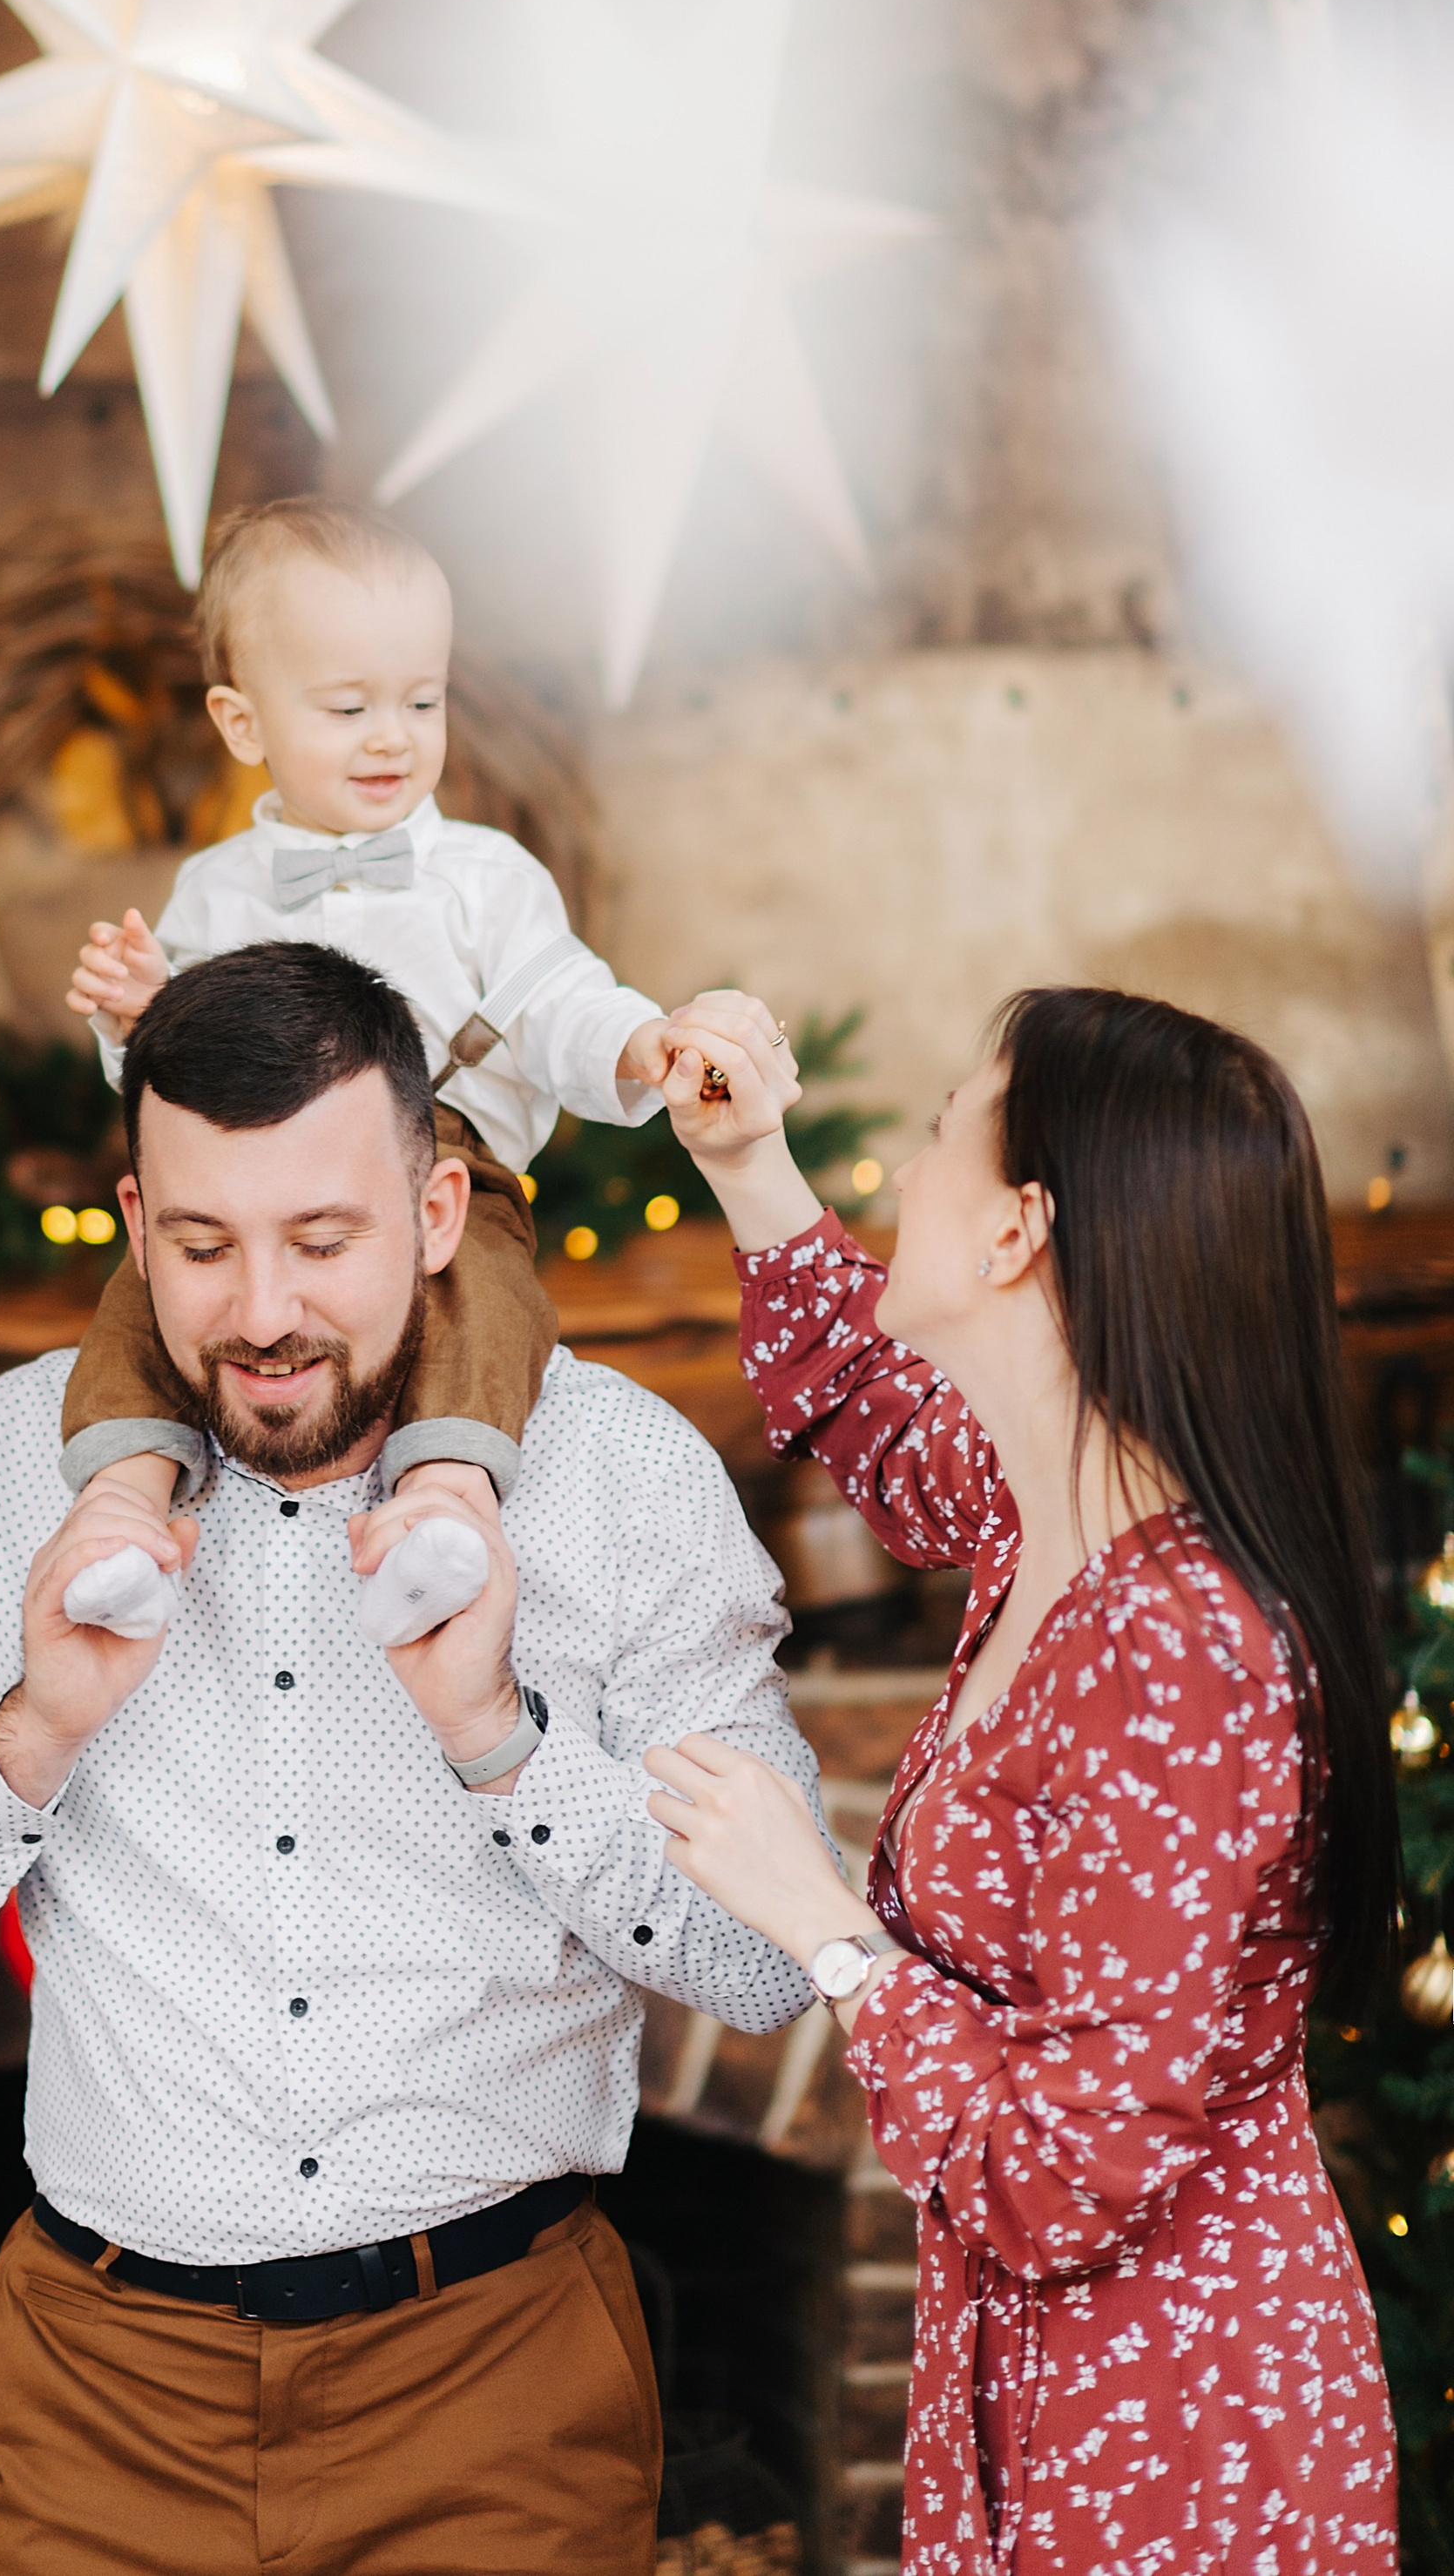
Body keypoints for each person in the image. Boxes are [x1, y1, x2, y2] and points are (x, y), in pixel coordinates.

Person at [0, 940, 827, 2576]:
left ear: (440, 1211)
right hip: (95, 2404)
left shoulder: (622, 1477)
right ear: (135, 1227)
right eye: (203, 1246)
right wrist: (36, 1729)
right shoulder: (2, 1467)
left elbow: (765, 1964)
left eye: (323, 1242)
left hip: (498, 2390)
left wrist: (499, 1740)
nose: (262, 1315)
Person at [641, 984, 1399, 2575]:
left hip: (1176, 2428)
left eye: (939, 1138)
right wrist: (747, 1159)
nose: (907, 1173)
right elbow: (872, 1407)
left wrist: (823, 1926)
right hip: (1041, 2378)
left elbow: (1067, 2173)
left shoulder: (1181, 1647)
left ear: (1018, 1232)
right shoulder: (1044, 1508)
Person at [57, 495, 680, 1649]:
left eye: (421, 701)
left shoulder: (485, 880)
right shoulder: (215, 892)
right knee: (150, 1293)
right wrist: (141, 1019)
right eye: (348, 708)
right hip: (250, 1170)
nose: (392, 737)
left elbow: (558, 999)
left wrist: (634, 1043)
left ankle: (445, 1503)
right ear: (242, 724)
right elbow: (171, 1087)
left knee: (484, 1291)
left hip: (447, 1155)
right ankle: (122, 1511)